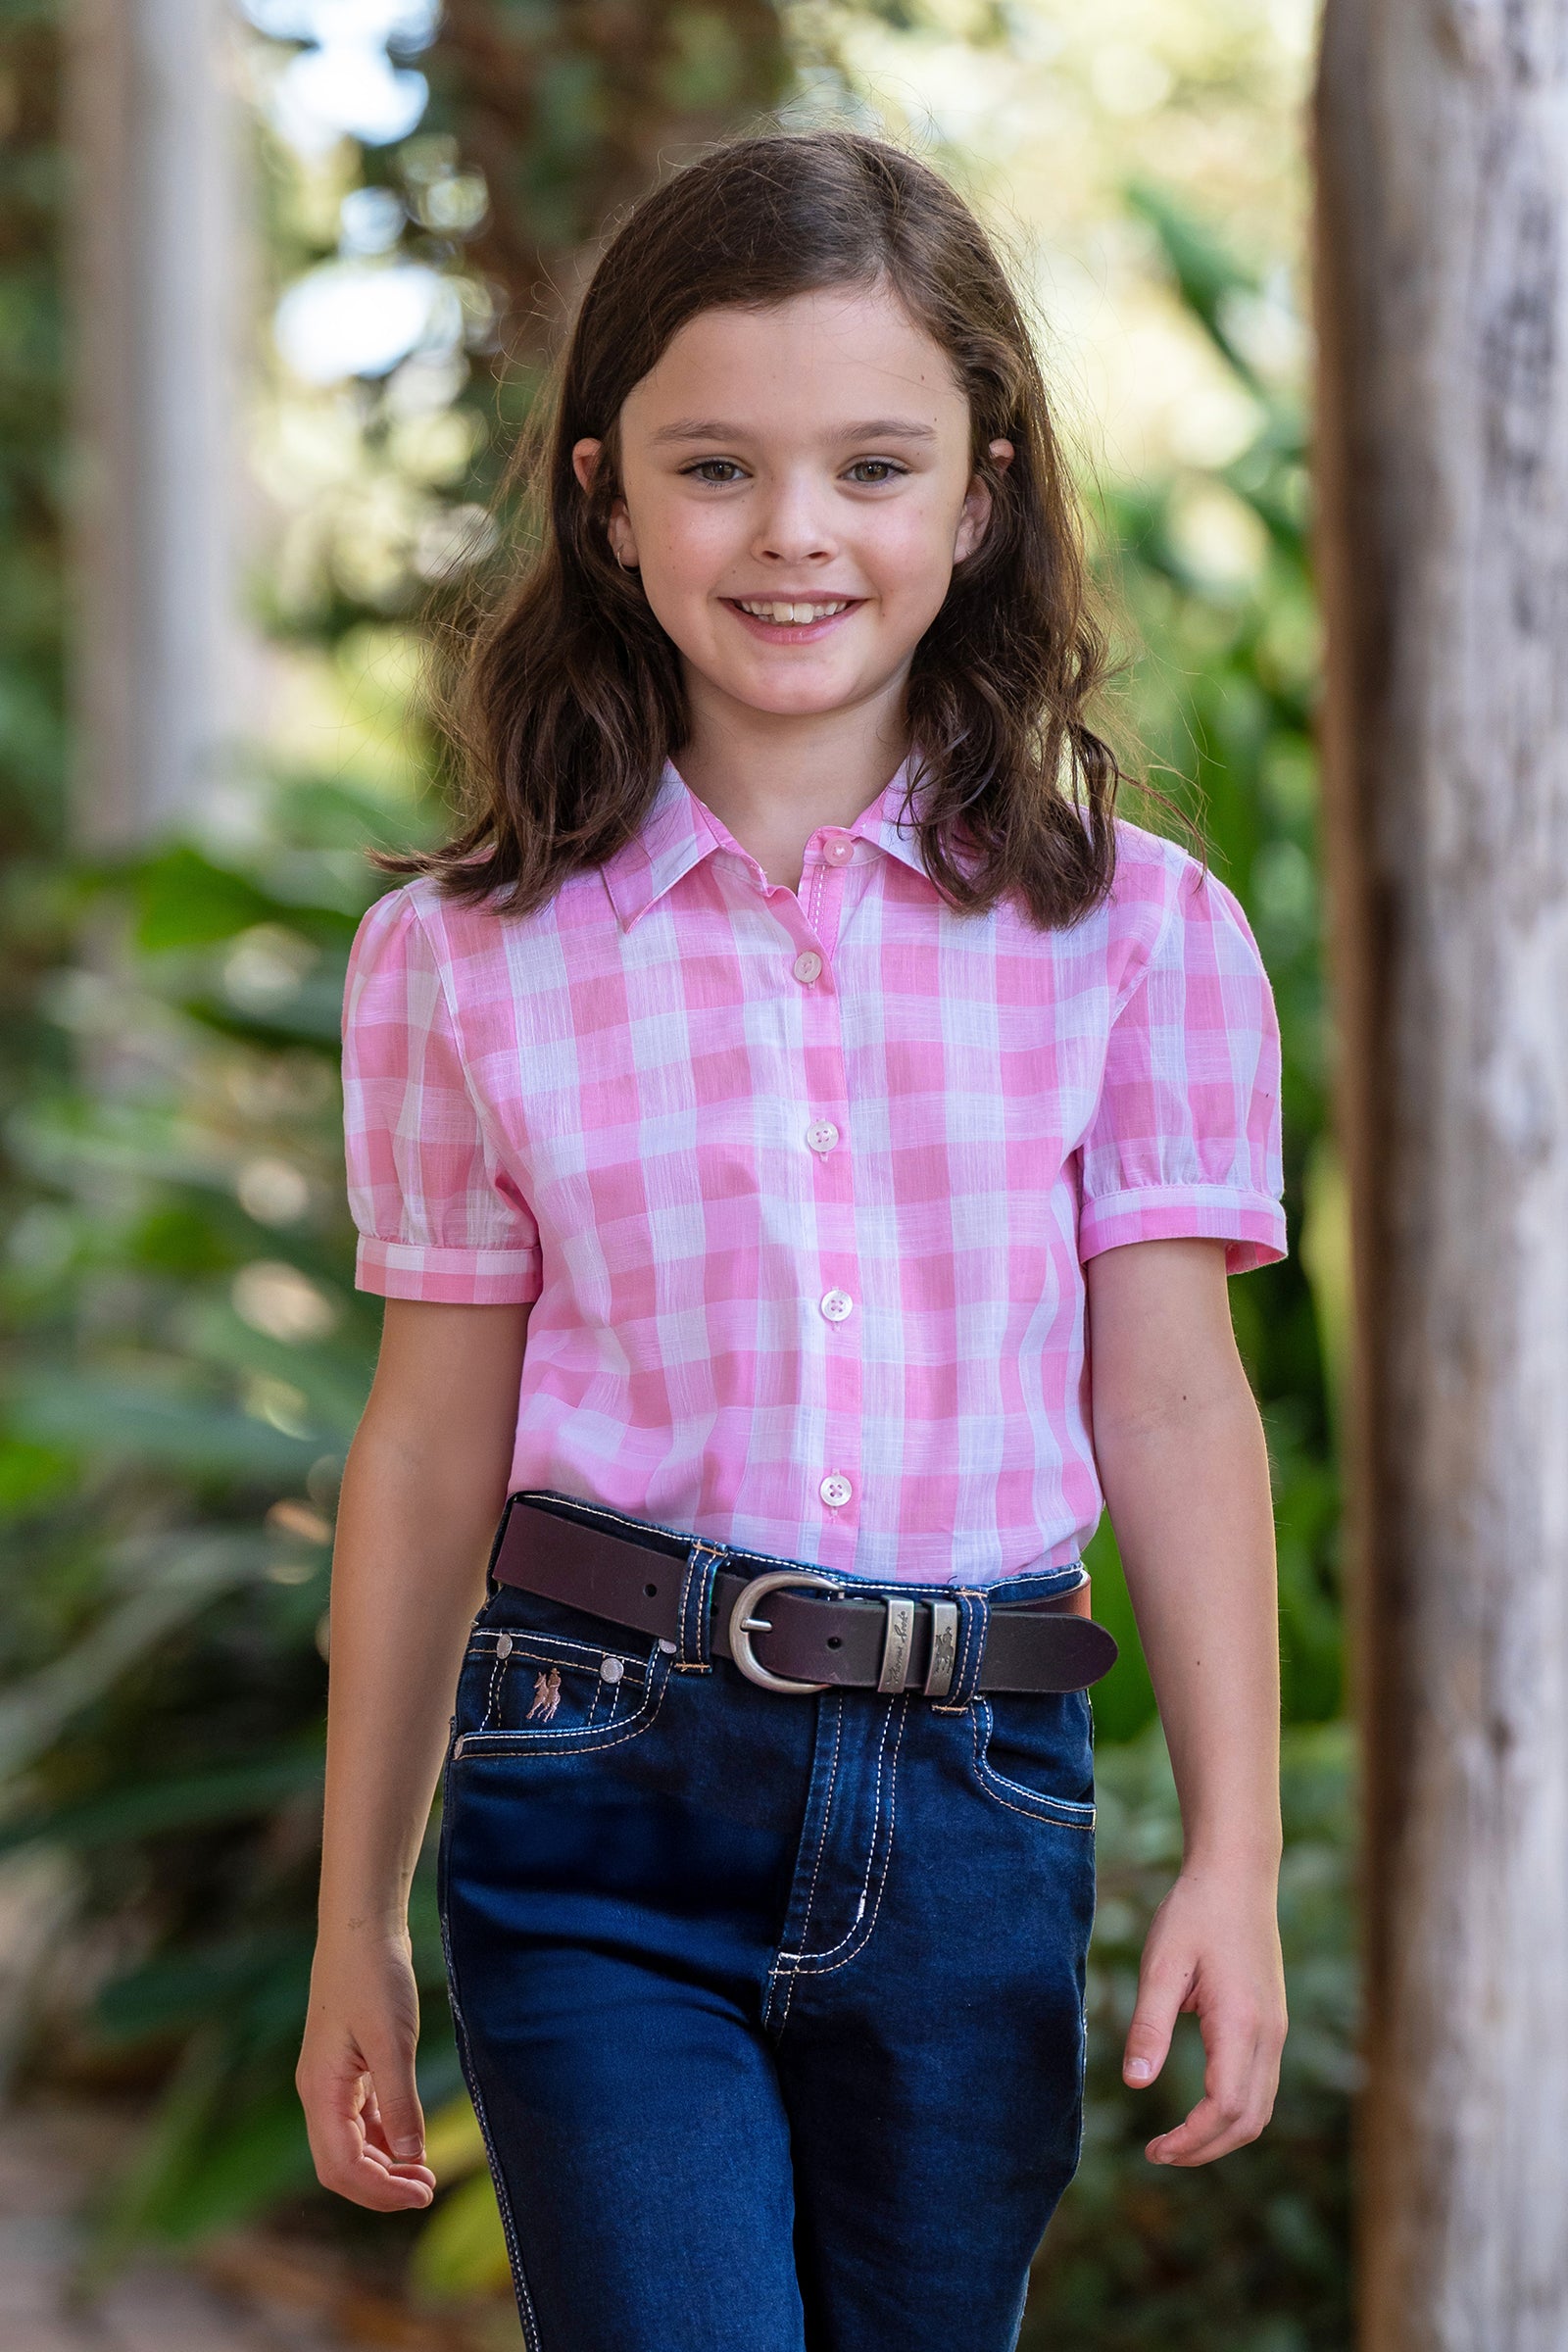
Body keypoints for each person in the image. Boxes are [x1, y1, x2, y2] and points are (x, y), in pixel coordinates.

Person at [296, 128, 1290, 2352]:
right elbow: (428, 1451)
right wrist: (355, 1914)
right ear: (604, 500)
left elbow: (1170, 1406)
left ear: (982, 496)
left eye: (871, 465)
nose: (795, 532)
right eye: (716, 467)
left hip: (977, 1814)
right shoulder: (461, 961)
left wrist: (1233, 1856)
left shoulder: (1140, 938)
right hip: (595, 1791)